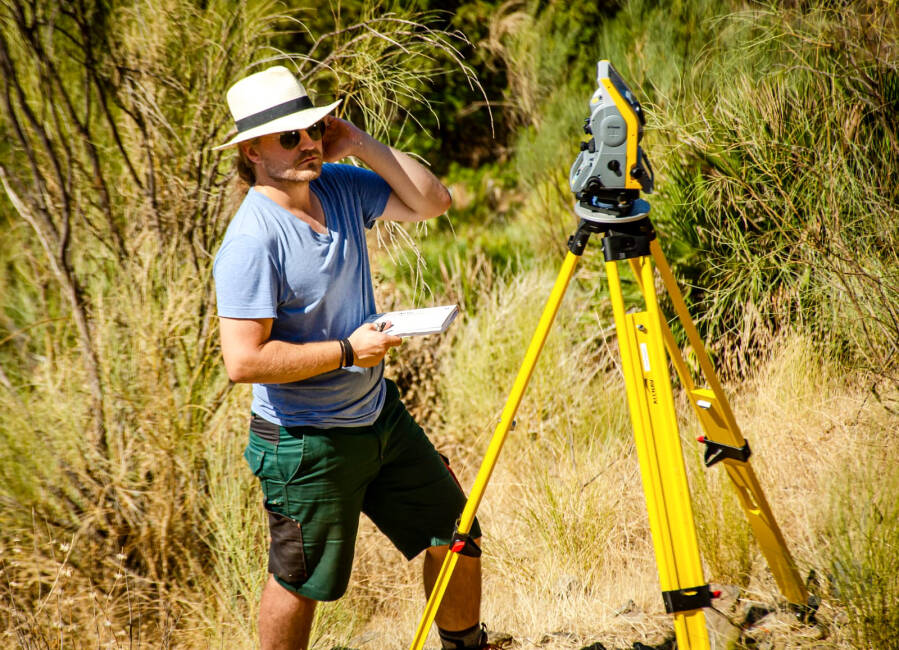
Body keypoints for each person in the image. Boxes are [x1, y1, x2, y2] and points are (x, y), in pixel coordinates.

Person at [212, 66, 506, 650]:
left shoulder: (339, 183)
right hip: (305, 440)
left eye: (314, 128)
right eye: (290, 137)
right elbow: (243, 361)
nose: (309, 143)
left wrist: (360, 143)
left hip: (377, 415)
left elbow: (434, 202)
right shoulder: (251, 241)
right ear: (253, 151)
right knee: (298, 580)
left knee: (455, 532)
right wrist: (349, 351)